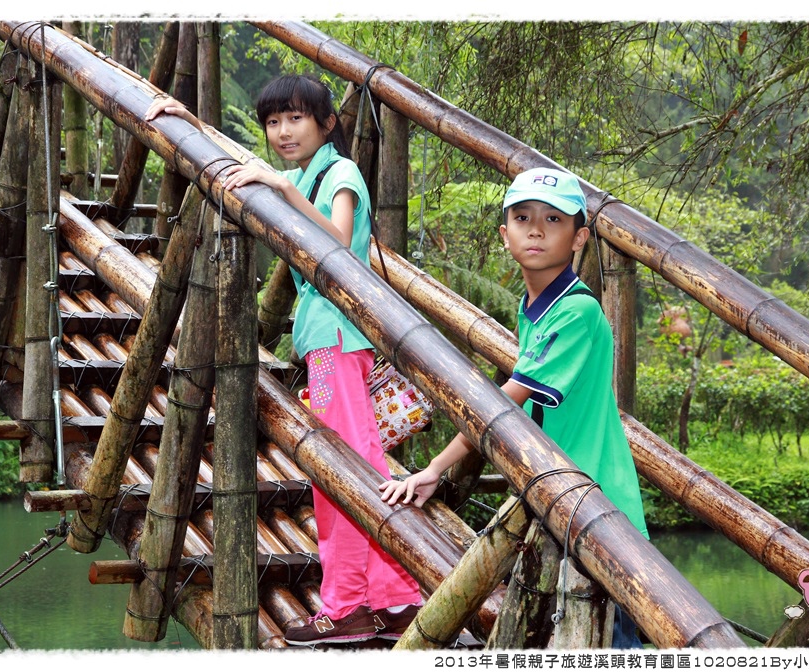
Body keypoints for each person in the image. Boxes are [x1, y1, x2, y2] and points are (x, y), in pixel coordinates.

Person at [147, 74, 423, 646]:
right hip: (328, 344)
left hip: (338, 345)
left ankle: (349, 606)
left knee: (342, 477)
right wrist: (191, 125)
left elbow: (339, 244)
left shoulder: (338, 175)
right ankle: (393, 600)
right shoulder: (302, 176)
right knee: (353, 471)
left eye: (295, 118)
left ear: (326, 123)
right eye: (273, 121)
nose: (281, 131)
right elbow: (248, 166)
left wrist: (285, 191)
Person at [379, 166, 648, 649]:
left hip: (600, 511)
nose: (536, 229)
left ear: (579, 238)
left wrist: (436, 467)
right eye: (522, 217)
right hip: (562, 504)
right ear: (505, 235)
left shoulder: (577, 311)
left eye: (553, 219)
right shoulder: (537, 306)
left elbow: (506, 404)